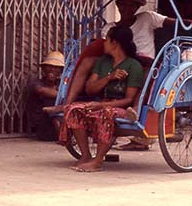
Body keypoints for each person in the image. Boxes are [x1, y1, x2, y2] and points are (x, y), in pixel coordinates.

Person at [45, 0, 181, 150]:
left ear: (137, 7)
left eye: (131, 5)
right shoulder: (110, 28)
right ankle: (67, 103)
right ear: (117, 5)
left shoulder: (147, 17)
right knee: (87, 61)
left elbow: (174, 22)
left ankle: (136, 110)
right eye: (122, 4)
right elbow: (105, 50)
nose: (126, 8)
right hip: (116, 59)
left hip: (143, 61)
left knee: (147, 71)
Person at [59, 26, 144, 172]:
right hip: (101, 102)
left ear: (114, 43)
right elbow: (89, 88)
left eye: (106, 40)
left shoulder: (133, 66)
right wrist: (109, 78)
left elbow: (129, 99)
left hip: (119, 107)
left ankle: (97, 162)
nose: (103, 43)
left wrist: (102, 107)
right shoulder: (103, 62)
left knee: (105, 114)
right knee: (73, 109)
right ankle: (85, 155)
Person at [27, 51, 65, 141]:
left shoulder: (61, 84)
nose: (52, 70)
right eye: (49, 66)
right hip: (43, 127)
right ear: (44, 69)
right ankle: (63, 137)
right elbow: (41, 90)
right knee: (51, 103)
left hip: (59, 122)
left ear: (61, 71)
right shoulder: (36, 83)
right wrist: (63, 96)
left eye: (56, 68)